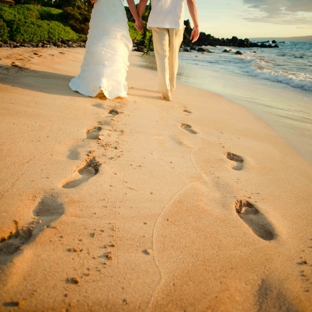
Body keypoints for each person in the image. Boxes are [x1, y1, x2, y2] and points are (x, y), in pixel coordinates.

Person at [69, 0, 144, 100]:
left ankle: (99, 80)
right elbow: (130, 2)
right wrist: (137, 20)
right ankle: (113, 82)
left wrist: (137, 20)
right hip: (115, 12)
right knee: (116, 45)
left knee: (100, 43)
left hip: (102, 11)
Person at [138, 0, 199, 101]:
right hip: (176, 21)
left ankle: (165, 91)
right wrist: (196, 25)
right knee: (173, 57)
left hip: (158, 20)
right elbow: (191, 1)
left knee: (162, 56)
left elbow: (143, 1)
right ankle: (170, 88)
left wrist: (138, 18)